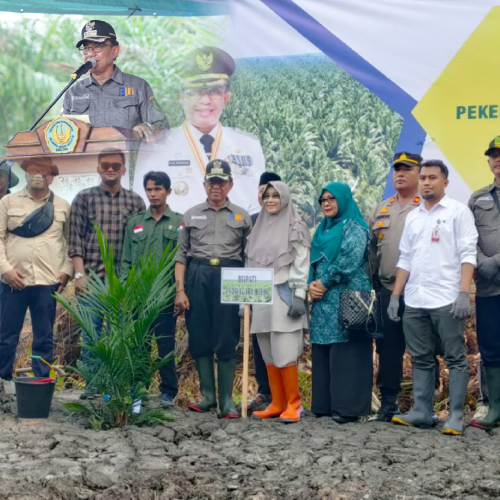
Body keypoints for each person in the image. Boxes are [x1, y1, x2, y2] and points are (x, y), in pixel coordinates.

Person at [389, 160, 477, 435]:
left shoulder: (458, 212)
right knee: (421, 357)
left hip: (447, 297)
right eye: (423, 178)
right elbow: (405, 258)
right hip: (415, 298)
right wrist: (396, 295)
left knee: (455, 357)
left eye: (432, 178)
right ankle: (422, 411)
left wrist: (464, 293)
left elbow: (468, 254)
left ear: (445, 183)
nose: (426, 182)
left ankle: (456, 417)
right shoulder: (414, 216)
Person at [133, 46, 265, 215]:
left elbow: (257, 208)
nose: (205, 100)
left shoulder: (249, 146)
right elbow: (144, 208)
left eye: (214, 91)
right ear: (181, 97)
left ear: (226, 98)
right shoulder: (157, 147)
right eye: (195, 91)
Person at [174, 159, 251, 418]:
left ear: (230, 184)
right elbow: (181, 255)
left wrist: (248, 292)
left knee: (227, 336)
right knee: (200, 335)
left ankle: (227, 401)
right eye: (212, 182)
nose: (216, 187)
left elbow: (249, 255)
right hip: (198, 275)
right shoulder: (191, 215)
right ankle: (208, 397)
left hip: (230, 276)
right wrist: (180, 290)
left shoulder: (242, 216)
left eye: (221, 182)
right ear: (205, 184)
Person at [69, 149, 145, 398]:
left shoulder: (135, 201)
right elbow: (75, 239)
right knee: (91, 336)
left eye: (115, 165)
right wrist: (79, 276)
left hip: (122, 282)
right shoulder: (84, 198)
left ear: (124, 169)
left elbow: (139, 243)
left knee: (118, 335)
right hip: (91, 279)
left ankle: (115, 387)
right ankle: (93, 385)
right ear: (98, 168)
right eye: (105, 166)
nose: (110, 169)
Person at [0, 158, 73, 380]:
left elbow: (72, 242)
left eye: (43, 171)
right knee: (6, 335)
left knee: (44, 336)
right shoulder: (7, 203)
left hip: (47, 282)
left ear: (51, 177)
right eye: (32, 170)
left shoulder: (62, 205)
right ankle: (2, 382)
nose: (38, 175)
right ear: (25, 175)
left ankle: (41, 382)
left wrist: (67, 270)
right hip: (12, 281)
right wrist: (5, 269)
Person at [245, 181, 310, 423]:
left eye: (276, 196)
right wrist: (246, 301)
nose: (271, 200)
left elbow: (302, 263)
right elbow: (250, 265)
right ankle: (277, 402)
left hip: (285, 295)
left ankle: (294, 404)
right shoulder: (257, 228)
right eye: (267, 196)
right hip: (261, 297)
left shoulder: (296, 226)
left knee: (284, 351)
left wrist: (299, 296)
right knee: (269, 354)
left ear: (284, 198)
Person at [308, 182, 373, 423]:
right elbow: (313, 261)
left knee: (347, 349)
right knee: (325, 348)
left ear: (343, 200)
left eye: (331, 199)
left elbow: (349, 259)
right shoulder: (323, 229)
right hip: (323, 299)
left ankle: (348, 408)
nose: (326, 203)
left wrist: (324, 282)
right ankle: (325, 405)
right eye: (322, 200)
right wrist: (312, 285)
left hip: (348, 295)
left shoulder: (354, 226)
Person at [368, 152, 422, 421]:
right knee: (388, 349)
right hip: (386, 290)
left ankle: (426, 405)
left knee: (424, 348)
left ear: (419, 173)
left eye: (407, 169)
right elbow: (371, 250)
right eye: (396, 169)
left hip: (421, 292)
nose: (400, 173)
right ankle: (388, 403)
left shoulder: (426, 206)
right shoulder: (381, 208)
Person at [121, 171, 183, 408]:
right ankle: (139, 389)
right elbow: (126, 262)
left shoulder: (178, 222)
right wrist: (127, 292)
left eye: (158, 189)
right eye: (149, 189)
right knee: (140, 346)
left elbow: (181, 259)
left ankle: (168, 392)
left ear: (167, 191)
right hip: (139, 297)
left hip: (165, 296)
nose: (153, 194)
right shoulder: (135, 223)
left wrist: (178, 291)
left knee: (165, 346)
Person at [62, 20, 168, 144]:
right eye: (86, 48)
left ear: (115, 51)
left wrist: (150, 129)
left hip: (129, 161)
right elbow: (63, 135)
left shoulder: (138, 86)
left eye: (97, 47)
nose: (90, 53)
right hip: (86, 162)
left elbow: (163, 128)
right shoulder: (73, 93)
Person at [469, 136, 500, 429]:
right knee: (491, 348)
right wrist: (481, 262)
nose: (498, 159)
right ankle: (495, 409)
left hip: (493, 271)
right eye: (493, 155)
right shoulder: (477, 198)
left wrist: (495, 261)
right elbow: (469, 238)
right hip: (490, 288)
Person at [247, 171, 282, 413]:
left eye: (271, 191)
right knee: (259, 343)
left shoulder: (288, 220)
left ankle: (285, 394)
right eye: (262, 189)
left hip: (281, 291)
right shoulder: (248, 220)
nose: (265, 195)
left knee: (281, 341)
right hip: (256, 290)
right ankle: (264, 392)